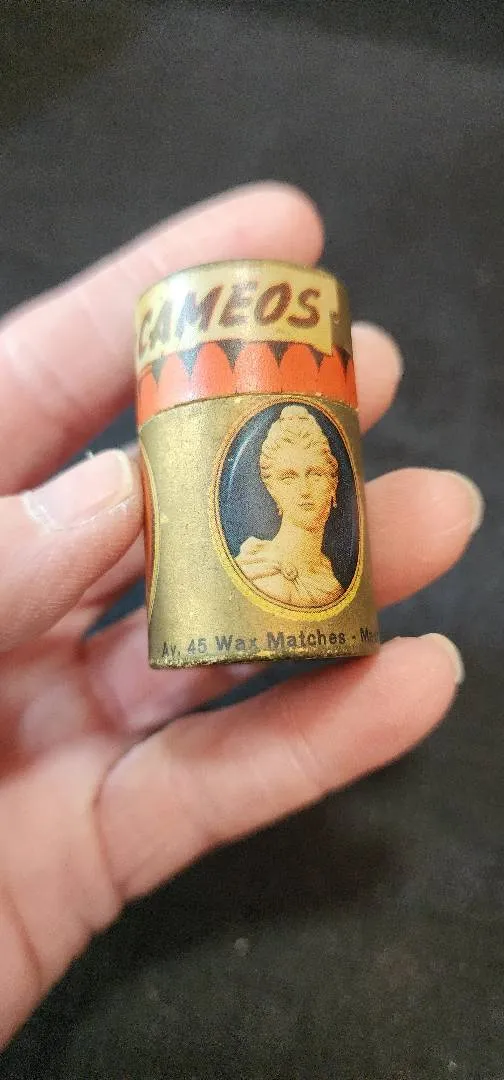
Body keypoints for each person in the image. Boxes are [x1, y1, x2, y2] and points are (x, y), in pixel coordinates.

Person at [0, 183, 482, 1047]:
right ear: (264, 480)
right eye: (288, 474)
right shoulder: (250, 554)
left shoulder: (330, 561)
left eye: (321, 471)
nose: (310, 487)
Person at [237, 405, 344, 606]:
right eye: (289, 478)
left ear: (333, 484)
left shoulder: (328, 575)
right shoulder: (258, 571)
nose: (304, 490)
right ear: (272, 489)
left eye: (315, 474)